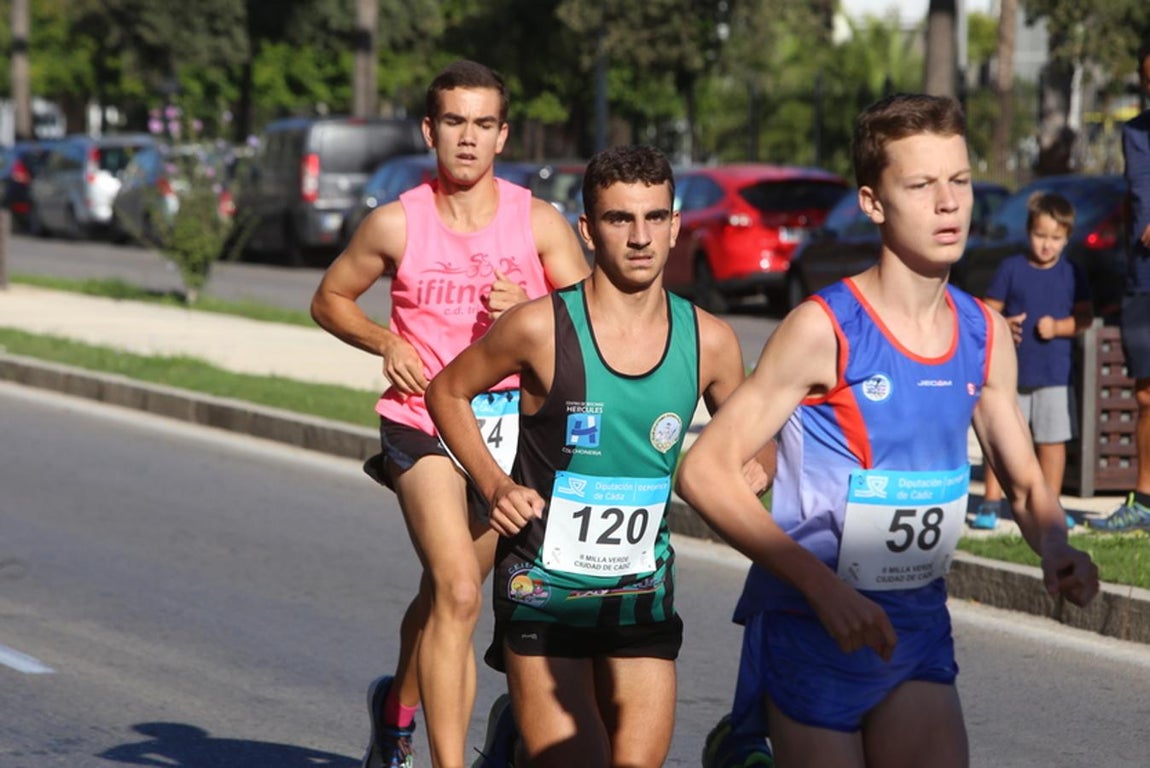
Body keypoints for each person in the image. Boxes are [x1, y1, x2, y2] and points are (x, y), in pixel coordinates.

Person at [677, 93, 1099, 768]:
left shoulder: (983, 333)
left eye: (959, 181)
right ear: (874, 202)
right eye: (922, 185)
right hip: (814, 622)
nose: (949, 203)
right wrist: (821, 587)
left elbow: (1023, 483)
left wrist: (1055, 545)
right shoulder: (823, 329)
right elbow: (703, 471)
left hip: (916, 625)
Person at [425, 144, 771, 768]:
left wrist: (759, 464)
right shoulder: (539, 327)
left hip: (641, 589)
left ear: (675, 224)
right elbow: (446, 390)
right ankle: (524, 740)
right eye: (619, 219)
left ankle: (512, 744)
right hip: (545, 589)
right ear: (588, 230)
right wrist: (494, 483)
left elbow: (758, 432)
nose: (640, 237)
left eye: (654, 218)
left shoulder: (710, 341)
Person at [310, 59, 590, 768]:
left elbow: (591, 322)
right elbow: (329, 299)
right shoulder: (397, 222)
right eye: (455, 122)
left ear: (503, 136)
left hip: (507, 435)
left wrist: (531, 316)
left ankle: (395, 709)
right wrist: (384, 339)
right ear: (430, 130)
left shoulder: (538, 222)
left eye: (485, 124)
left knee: (444, 588)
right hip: (422, 424)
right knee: (463, 592)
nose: (469, 138)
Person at [971, 192, 1092, 531]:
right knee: (1003, 440)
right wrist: (1004, 325)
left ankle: (1049, 505)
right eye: (1040, 236)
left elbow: (1084, 318)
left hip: (1054, 372)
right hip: (1010, 375)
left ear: (1067, 237)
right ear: (1028, 232)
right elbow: (988, 309)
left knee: (1052, 442)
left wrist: (1058, 327)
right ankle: (991, 501)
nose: (1046, 245)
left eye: (1055, 238)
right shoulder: (1011, 268)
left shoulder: (1072, 273)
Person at [1092, 41, 1150, 532]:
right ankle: (1145, 503)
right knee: (1146, 395)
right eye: (1148, 81)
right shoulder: (1135, 135)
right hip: (1144, 279)